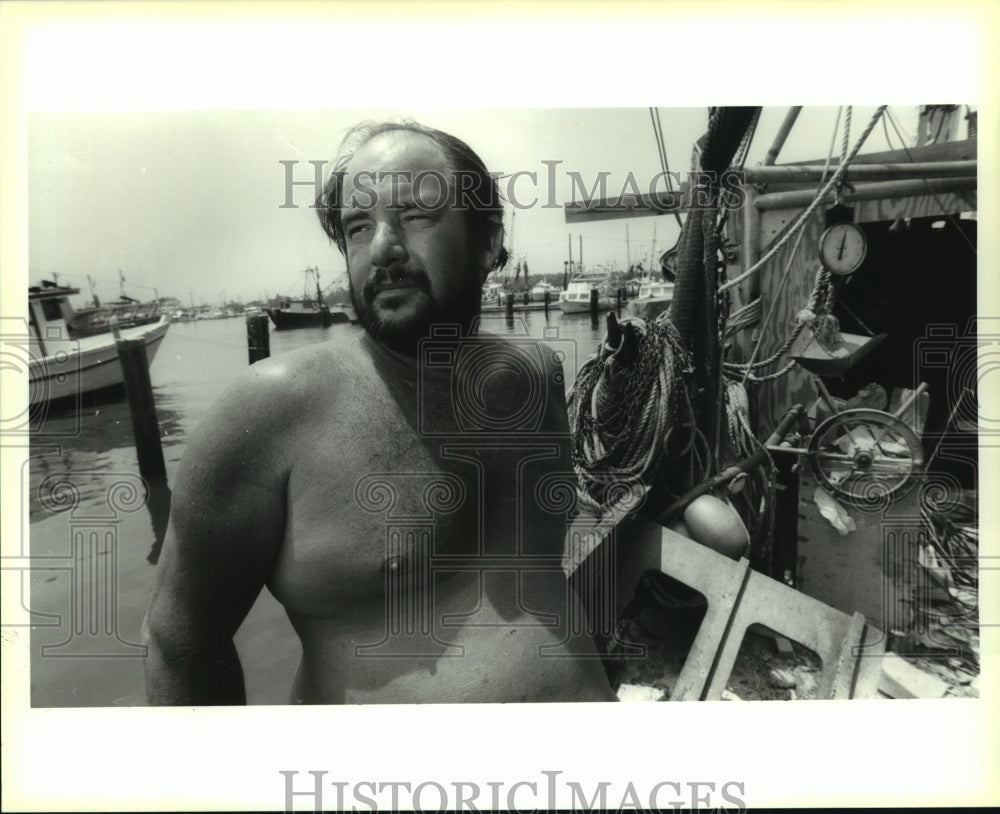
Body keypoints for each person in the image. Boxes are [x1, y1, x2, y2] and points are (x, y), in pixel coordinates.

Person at [144, 121, 616, 704]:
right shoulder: (270, 411)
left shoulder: (535, 373)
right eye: (359, 227)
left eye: (416, 215)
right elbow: (180, 643)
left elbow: (539, 561)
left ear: (489, 240)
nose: (384, 249)